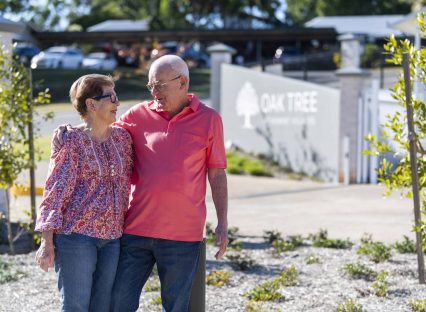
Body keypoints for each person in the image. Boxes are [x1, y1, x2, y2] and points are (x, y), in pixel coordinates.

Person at [35, 74, 133, 312]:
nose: (117, 103)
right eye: (111, 97)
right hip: (76, 237)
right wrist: (46, 240)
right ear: (91, 104)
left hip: (112, 237)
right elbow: (56, 190)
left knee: (102, 307)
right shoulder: (72, 141)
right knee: (76, 307)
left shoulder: (122, 139)